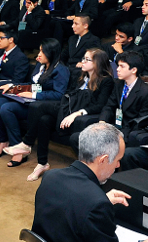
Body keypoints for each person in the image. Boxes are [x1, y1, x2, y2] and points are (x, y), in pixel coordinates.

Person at [9, 48, 115, 182]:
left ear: (97, 63)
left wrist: (77, 113)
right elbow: (69, 95)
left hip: (79, 113)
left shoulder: (106, 81)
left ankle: (26, 143)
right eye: (83, 58)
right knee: (44, 120)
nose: (82, 61)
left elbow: (100, 105)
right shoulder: (81, 77)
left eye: (87, 59)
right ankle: (42, 163)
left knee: (37, 106)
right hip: (67, 108)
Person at [0, 39, 70, 166]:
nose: (38, 55)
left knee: (6, 108)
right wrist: (13, 87)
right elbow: (32, 85)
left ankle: (19, 150)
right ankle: (3, 141)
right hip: (27, 100)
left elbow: (59, 94)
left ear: (51, 53)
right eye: (39, 50)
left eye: (42, 52)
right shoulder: (40, 65)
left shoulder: (61, 70)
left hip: (38, 107)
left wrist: (34, 95)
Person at [98, 52, 148, 140]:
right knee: (77, 138)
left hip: (128, 133)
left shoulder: (146, 92)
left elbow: (140, 122)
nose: (117, 69)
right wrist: (102, 121)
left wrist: (116, 134)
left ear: (134, 70)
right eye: (118, 66)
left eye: (122, 66)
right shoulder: (119, 84)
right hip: (115, 126)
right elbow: (109, 106)